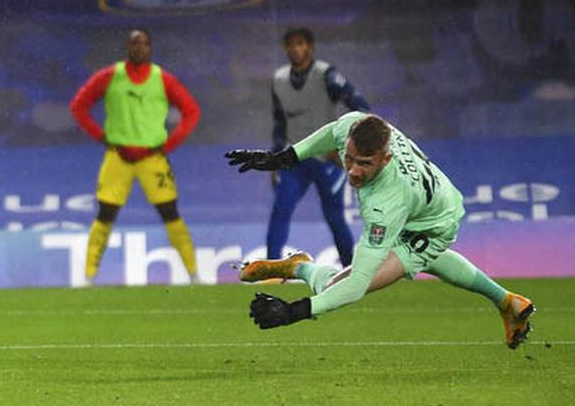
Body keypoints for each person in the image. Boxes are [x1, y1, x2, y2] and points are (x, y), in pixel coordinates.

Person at [225, 112, 536, 349]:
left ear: (385, 159)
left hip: (429, 224)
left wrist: (293, 312)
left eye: (364, 164)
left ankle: (301, 267)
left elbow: (356, 286)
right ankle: (507, 301)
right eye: (348, 159)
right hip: (435, 198)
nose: (353, 171)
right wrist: (284, 158)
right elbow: (332, 132)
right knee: (426, 260)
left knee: (331, 289)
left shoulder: (386, 205)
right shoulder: (357, 124)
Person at [70, 28, 202, 285]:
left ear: (150, 48)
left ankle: (194, 275)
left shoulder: (162, 79)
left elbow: (191, 111)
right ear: (128, 47)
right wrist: (101, 136)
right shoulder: (110, 76)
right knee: (105, 215)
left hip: (152, 159)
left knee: (171, 214)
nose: (138, 48)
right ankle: (87, 279)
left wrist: (169, 144)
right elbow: (78, 106)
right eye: (134, 43)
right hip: (118, 157)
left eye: (143, 44)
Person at [267, 27, 369, 266]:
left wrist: (346, 146)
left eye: (300, 44)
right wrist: (274, 160)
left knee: (334, 217)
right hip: (295, 158)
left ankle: (350, 270)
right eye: (290, 44)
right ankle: (270, 272)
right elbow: (280, 123)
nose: (295, 49)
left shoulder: (326, 74)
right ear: (285, 49)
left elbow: (361, 107)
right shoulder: (279, 79)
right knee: (280, 212)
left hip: (327, 158)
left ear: (310, 47)